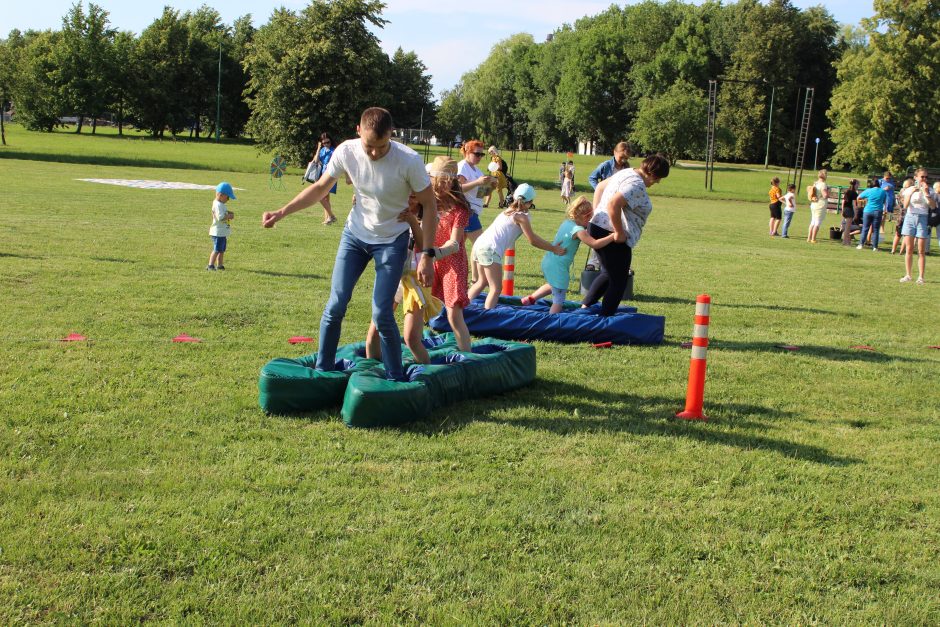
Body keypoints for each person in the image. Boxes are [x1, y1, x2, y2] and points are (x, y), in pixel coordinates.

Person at [261, 107, 438, 382]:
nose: (375, 153)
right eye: (369, 146)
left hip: (392, 240)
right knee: (336, 304)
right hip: (355, 236)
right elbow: (320, 188)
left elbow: (429, 204)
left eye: (381, 146)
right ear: (358, 131)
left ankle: (395, 377)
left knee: (381, 311)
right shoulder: (346, 151)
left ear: (391, 135)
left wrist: (426, 254)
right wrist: (281, 212)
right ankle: (323, 369)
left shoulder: (409, 160)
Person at [582, 154, 671, 316]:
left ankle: (585, 307)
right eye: (658, 178)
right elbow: (613, 204)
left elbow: (601, 186)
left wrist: (596, 215)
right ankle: (605, 318)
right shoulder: (636, 184)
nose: (657, 182)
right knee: (619, 280)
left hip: (599, 226)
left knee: (609, 273)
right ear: (652, 173)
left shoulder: (627, 172)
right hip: (609, 231)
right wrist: (618, 232)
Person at [364, 196, 441, 364]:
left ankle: (427, 377)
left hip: (415, 279)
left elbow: (424, 246)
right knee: (374, 332)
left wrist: (412, 221)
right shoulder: (393, 211)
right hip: (393, 276)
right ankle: (371, 372)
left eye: (414, 197)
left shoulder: (429, 216)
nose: (409, 200)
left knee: (411, 339)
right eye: (406, 195)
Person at [467, 184, 566, 310]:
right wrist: (553, 248)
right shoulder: (521, 217)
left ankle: (463, 307)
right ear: (530, 202)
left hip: (479, 245)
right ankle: (487, 317)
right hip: (490, 250)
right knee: (496, 288)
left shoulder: (507, 211)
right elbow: (533, 240)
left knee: (482, 282)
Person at [520, 196, 615, 313]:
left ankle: (530, 299)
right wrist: (612, 236)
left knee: (552, 285)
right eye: (590, 218)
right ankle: (552, 321)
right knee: (558, 299)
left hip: (549, 261)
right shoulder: (578, 230)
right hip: (559, 267)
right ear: (585, 217)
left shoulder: (567, 223)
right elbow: (594, 244)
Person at [425, 156, 473, 352]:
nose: (444, 185)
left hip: (453, 264)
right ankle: (415, 348)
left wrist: (433, 253)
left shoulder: (459, 208)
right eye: (440, 180)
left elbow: (455, 244)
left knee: (454, 315)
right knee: (418, 309)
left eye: (448, 181)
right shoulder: (427, 202)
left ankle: (466, 357)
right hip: (430, 262)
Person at [586, 142, 631, 270]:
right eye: (621, 157)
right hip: (603, 203)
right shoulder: (606, 165)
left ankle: (619, 262)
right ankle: (594, 261)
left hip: (618, 204)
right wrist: (600, 190)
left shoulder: (627, 168)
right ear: (614, 152)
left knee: (618, 230)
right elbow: (592, 178)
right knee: (600, 230)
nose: (623, 160)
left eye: (626, 158)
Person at [457, 140, 496, 283]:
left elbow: (481, 194)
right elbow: (458, 188)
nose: (479, 157)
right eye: (477, 154)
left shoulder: (476, 170)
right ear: (467, 152)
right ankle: (476, 279)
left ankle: (468, 278)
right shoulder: (462, 167)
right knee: (481, 244)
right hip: (467, 210)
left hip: (473, 211)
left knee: (457, 247)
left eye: (482, 154)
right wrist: (478, 182)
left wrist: (491, 187)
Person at [899, 168, 938, 284]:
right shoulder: (910, 189)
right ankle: (908, 275)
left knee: (921, 250)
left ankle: (921, 277)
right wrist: (911, 192)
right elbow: (905, 206)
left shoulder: (930, 190)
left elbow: (933, 207)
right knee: (909, 249)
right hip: (910, 217)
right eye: (922, 177)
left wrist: (926, 193)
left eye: (926, 177)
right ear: (916, 178)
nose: (925, 179)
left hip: (923, 218)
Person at [310, 132, 338, 225]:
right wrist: (318, 148)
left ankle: (330, 217)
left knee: (323, 196)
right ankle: (328, 218)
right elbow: (316, 160)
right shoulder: (322, 150)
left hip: (330, 174)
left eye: (328, 142)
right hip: (322, 174)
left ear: (331, 141)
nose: (326, 144)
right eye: (324, 143)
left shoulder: (334, 151)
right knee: (325, 197)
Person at [207, 182, 236, 271]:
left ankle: (220, 265)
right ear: (221, 195)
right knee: (216, 249)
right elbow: (220, 217)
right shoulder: (218, 205)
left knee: (221, 250)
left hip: (222, 232)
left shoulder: (220, 204)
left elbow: (222, 213)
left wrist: (228, 212)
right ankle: (210, 265)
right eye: (227, 197)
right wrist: (229, 216)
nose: (228, 199)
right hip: (218, 232)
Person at [856, 178, 887, 251]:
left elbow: (858, 197)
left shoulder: (868, 190)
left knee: (865, 228)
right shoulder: (883, 191)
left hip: (868, 211)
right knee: (876, 230)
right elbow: (884, 201)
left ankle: (861, 244)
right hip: (878, 211)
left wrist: (864, 200)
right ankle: (875, 247)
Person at [890, 178, 914, 254]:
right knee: (904, 234)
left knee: (899, 234)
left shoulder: (901, 192)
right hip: (905, 215)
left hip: (901, 215)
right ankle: (900, 251)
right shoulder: (907, 193)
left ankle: (894, 250)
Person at [807, 169, 829, 244]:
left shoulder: (815, 183)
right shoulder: (823, 184)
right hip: (820, 204)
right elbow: (825, 195)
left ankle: (809, 238)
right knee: (817, 222)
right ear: (825, 176)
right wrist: (828, 193)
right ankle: (813, 239)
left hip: (814, 204)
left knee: (812, 222)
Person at [840, 179, 860, 246]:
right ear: (855, 185)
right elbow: (854, 204)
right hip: (849, 211)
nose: (858, 186)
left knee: (846, 227)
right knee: (847, 228)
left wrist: (842, 210)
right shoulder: (854, 193)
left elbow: (843, 202)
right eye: (858, 184)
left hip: (845, 210)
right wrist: (856, 212)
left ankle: (848, 241)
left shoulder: (847, 191)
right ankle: (845, 242)